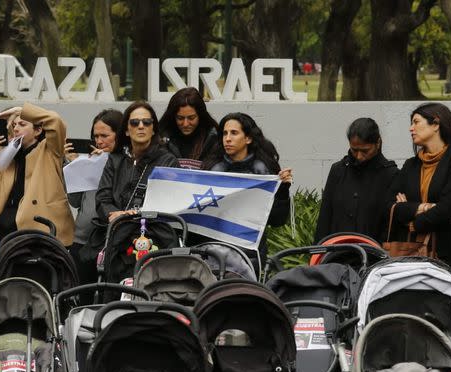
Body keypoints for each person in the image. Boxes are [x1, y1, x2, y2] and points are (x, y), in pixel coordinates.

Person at [389, 102, 451, 287]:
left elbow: (448, 209)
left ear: (436, 124)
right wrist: (426, 207)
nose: (410, 128)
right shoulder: (410, 165)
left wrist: (413, 222)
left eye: (416, 122)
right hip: (412, 258)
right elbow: (392, 206)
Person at [0, 102, 74, 257]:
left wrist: (21, 110)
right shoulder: (9, 158)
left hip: (42, 230)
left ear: (38, 130)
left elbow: (55, 120)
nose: (16, 129)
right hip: (7, 232)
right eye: (14, 125)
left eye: (22, 124)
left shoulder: (49, 150)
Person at [202, 112, 292, 261]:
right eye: (224, 133)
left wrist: (282, 190)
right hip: (214, 252)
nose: (227, 139)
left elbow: (277, 220)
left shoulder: (263, 171)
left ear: (248, 138)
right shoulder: (212, 169)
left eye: (234, 133)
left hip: (251, 256)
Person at [314, 118, 398, 243]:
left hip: (373, 254)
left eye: (365, 151)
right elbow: (325, 216)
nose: (359, 156)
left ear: (378, 143)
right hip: (336, 253)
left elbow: (390, 224)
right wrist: (318, 252)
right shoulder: (338, 170)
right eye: (354, 150)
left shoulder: (391, 174)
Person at [95, 101, 178, 224]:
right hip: (116, 229)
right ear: (127, 130)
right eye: (134, 122)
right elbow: (102, 200)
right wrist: (116, 215)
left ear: (153, 129)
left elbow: (168, 204)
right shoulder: (115, 159)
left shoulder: (168, 161)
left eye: (146, 122)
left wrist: (135, 214)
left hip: (151, 232)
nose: (140, 126)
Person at [65, 109, 122, 284]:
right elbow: (75, 202)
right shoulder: (89, 161)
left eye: (104, 135)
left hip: (111, 241)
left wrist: (106, 162)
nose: (99, 141)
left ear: (119, 135)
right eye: (95, 136)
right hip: (81, 240)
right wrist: (73, 166)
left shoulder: (125, 162)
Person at [157, 87, 218, 169]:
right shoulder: (161, 138)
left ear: (200, 116)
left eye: (191, 118)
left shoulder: (213, 138)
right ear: (173, 117)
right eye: (180, 118)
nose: (185, 124)